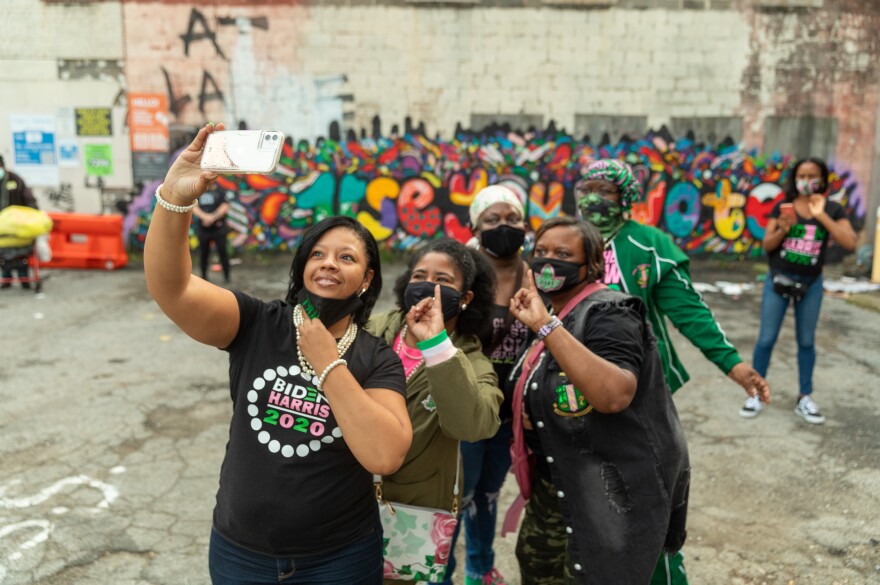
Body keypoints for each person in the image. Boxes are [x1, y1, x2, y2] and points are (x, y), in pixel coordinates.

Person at [144, 122, 413, 585]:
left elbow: (385, 455)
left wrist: (328, 364)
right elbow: (173, 288)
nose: (329, 263)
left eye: (347, 258)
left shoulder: (377, 358)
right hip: (240, 553)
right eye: (318, 255)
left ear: (367, 280)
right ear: (303, 267)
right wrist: (175, 196)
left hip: (339, 558)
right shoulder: (256, 323)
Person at [574, 158, 769, 584]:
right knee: (588, 500)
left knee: (646, 496)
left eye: (604, 190)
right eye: (586, 188)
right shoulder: (567, 242)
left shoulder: (648, 246)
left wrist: (734, 366)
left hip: (641, 392)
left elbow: (690, 313)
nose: (592, 198)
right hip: (574, 394)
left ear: (625, 198)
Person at [506, 217, 690, 585]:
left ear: (591, 265)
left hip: (609, 492)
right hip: (560, 483)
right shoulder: (556, 311)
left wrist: (546, 327)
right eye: (540, 252)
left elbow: (613, 394)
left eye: (562, 253)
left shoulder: (611, 312)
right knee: (536, 563)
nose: (547, 262)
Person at [365, 238, 503, 585]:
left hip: (409, 515)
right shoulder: (371, 331)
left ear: (466, 298)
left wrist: (436, 345)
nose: (428, 285)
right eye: (419, 276)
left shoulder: (470, 361)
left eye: (443, 280)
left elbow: (474, 425)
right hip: (343, 500)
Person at [443, 185, 529, 585]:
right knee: (458, 495)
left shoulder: (538, 273)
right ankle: (440, 572)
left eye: (512, 218)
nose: (504, 227)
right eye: (492, 220)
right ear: (475, 225)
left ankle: (480, 568)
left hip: (512, 411)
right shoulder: (464, 273)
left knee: (489, 492)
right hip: (470, 404)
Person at [747, 157, 856, 424]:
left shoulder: (832, 208)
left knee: (806, 341)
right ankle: (755, 394)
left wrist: (820, 215)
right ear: (795, 178)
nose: (806, 181)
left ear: (822, 179)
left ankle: (804, 397)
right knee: (766, 339)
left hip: (811, 284)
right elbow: (767, 246)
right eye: (802, 175)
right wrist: (782, 229)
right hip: (778, 282)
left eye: (812, 176)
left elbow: (850, 241)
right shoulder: (783, 207)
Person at [0, 154, 39, 289]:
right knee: (3, 255)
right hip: (2, 229)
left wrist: (32, 215)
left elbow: (29, 199)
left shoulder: (15, 179)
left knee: (20, 253)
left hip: (18, 225)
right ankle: (6, 279)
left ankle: (25, 279)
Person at [192, 185, 231, 282]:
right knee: (203, 253)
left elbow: (225, 206)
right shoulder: (198, 191)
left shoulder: (221, 191)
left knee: (223, 252)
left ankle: (227, 277)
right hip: (203, 229)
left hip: (219, 228)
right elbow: (194, 206)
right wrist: (205, 217)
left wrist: (212, 217)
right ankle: (204, 277)